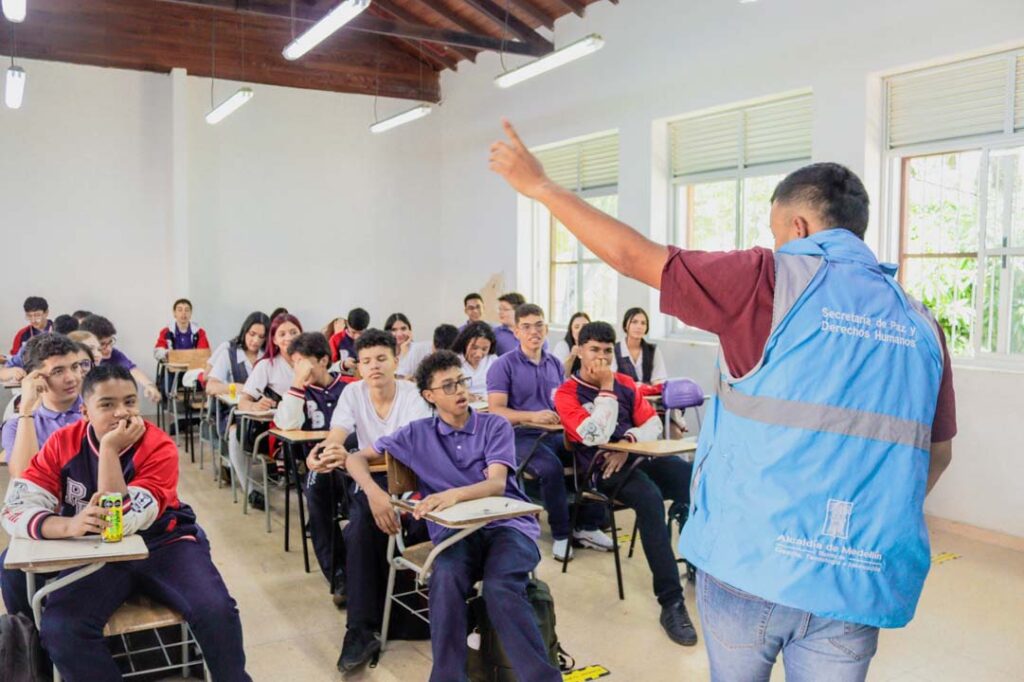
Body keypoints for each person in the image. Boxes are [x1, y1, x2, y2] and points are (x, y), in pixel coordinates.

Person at [490, 121, 956, 681]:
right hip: (853, 582)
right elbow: (937, 454)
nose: (778, 243)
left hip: (751, 563)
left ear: (800, 224)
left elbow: (633, 256)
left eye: (778, 231)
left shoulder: (768, 278)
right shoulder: (920, 322)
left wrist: (541, 187)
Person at [0, 364, 251, 681]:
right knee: (63, 627)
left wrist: (108, 450)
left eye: (130, 402)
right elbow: (15, 506)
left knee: (216, 611)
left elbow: (119, 521)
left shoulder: (158, 445)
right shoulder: (62, 443)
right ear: (85, 410)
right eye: (107, 404)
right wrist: (66, 526)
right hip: (96, 554)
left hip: (164, 543)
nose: (122, 413)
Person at [345, 350, 562, 682]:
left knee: (500, 586)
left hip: (507, 527)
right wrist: (375, 495)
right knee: (445, 581)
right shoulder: (416, 434)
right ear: (429, 396)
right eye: (448, 386)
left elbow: (496, 483)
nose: (460, 390)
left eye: (461, 381)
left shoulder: (494, 425)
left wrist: (451, 495)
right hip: (455, 534)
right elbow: (355, 459)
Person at [554, 321, 698, 646]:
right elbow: (594, 436)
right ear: (579, 351)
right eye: (594, 350)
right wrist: (606, 387)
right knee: (648, 499)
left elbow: (651, 424)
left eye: (607, 351)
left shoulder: (626, 383)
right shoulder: (566, 394)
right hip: (600, 469)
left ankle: (696, 553)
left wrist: (628, 442)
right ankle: (671, 601)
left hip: (635, 456)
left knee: (695, 482)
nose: (602, 358)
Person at [311, 329, 432, 672]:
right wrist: (329, 451)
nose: (374, 367)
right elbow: (338, 436)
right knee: (360, 521)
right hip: (368, 475)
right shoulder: (352, 392)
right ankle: (360, 630)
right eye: (366, 361)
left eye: (381, 359)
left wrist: (354, 457)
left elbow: (406, 451)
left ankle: (379, 619)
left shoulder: (411, 395)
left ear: (396, 360)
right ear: (358, 366)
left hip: (408, 474)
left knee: (373, 522)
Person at [486, 303, 611, 561]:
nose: (535, 331)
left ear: (546, 328)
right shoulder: (503, 365)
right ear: (516, 332)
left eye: (539, 325)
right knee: (550, 468)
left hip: (554, 433)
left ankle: (587, 526)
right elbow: (496, 411)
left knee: (592, 454)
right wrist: (531, 416)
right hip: (519, 436)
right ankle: (562, 535)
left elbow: (563, 402)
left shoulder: (555, 364)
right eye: (527, 326)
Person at [273, 332, 350, 599]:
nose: (300, 369)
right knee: (318, 492)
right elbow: (286, 424)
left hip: (354, 463)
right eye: (295, 364)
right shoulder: (297, 393)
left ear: (324, 360)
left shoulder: (348, 387)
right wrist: (297, 383)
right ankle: (339, 576)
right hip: (320, 467)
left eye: (304, 362)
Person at [1, 334, 87, 477]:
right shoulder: (16, 425)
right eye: (58, 371)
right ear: (35, 378)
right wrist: (26, 410)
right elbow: (25, 478)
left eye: (75, 367)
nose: (72, 378)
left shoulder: (97, 412)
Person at [79, 315, 162, 403]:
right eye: (102, 344)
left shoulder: (114, 354)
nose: (109, 349)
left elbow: (132, 369)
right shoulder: (77, 361)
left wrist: (149, 385)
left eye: (110, 342)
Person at [238, 314, 302, 413]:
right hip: (278, 425)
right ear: (274, 340)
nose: (289, 338)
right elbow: (242, 403)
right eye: (282, 334)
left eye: (294, 332)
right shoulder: (266, 365)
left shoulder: (312, 362)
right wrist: (255, 406)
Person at [0, 314, 78, 381]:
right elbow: (2, 372)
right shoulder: (32, 347)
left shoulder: (82, 350)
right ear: (50, 331)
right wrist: (12, 372)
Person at [614, 307, 667, 388]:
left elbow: (659, 379)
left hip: (648, 396)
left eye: (643, 323)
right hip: (624, 397)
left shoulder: (653, 350)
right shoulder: (614, 350)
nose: (639, 326)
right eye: (634, 322)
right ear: (625, 325)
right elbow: (612, 379)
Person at [452, 321, 498, 400]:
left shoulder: (493, 360)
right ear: (465, 343)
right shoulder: (454, 362)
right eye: (474, 348)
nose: (478, 354)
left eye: (484, 349)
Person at [385, 313, 431, 378]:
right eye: (394, 330)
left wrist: (404, 350)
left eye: (403, 329)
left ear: (409, 330)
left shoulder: (417, 349)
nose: (399, 334)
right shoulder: (384, 352)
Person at [552, 311, 590, 379]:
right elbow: (560, 376)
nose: (581, 330)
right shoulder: (562, 346)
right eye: (576, 327)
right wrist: (572, 356)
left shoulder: (596, 346)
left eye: (585, 326)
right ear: (571, 331)